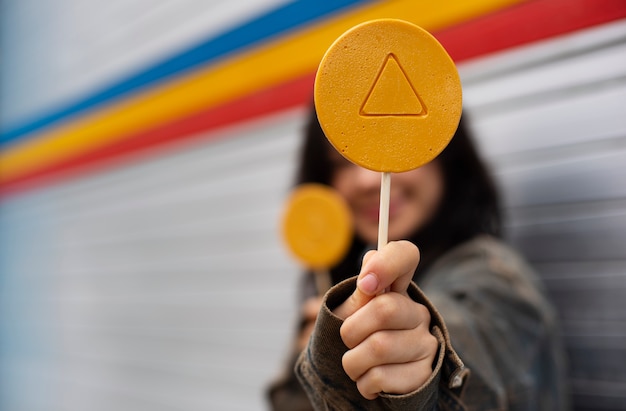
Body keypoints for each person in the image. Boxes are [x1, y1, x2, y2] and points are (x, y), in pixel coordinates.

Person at [268, 106, 570, 410]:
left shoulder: (496, 279)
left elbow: (477, 351)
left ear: (446, 154)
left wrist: (424, 372)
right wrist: (317, 356)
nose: (367, 180)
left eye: (394, 145)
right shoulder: (338, 294)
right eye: (342, 161)